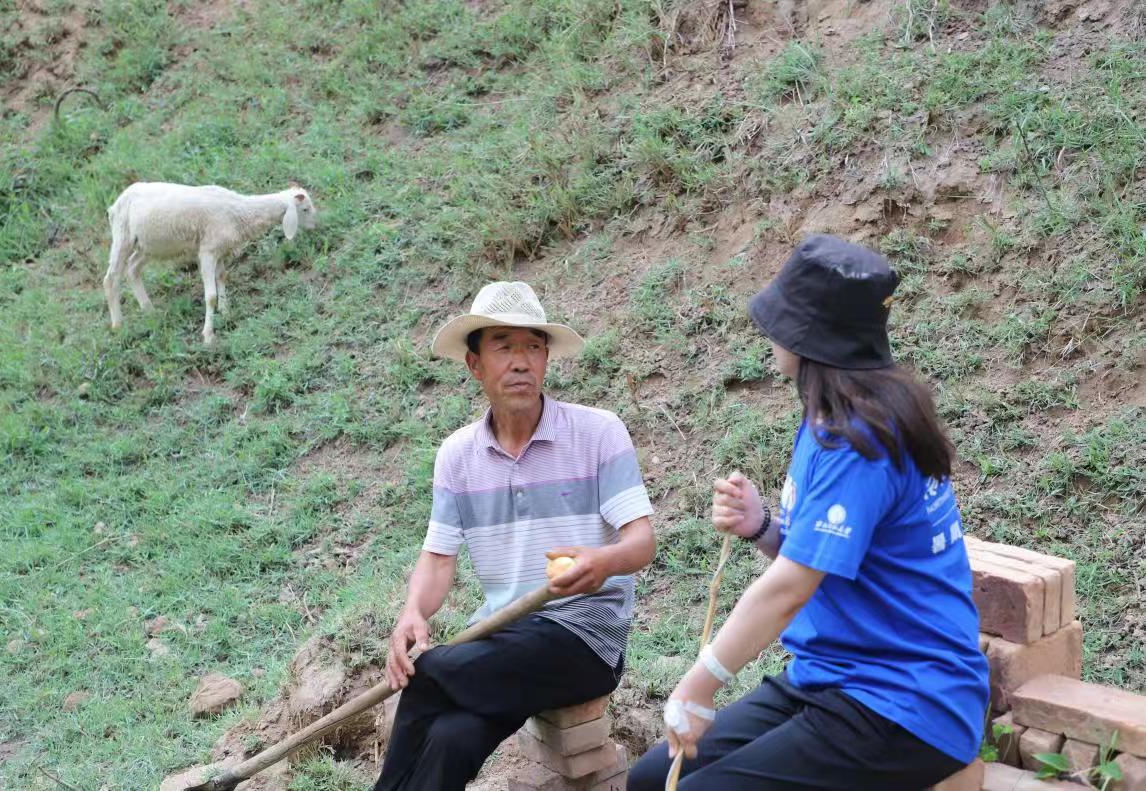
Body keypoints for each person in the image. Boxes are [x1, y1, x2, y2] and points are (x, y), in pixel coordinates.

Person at [629, 235, 989, 790]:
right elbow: (824, 555)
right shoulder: (837, 414)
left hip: (906, 701)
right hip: (831, 675)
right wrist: (763, 527)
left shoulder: (859, 441)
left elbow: (789, 590)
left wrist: (700, 684)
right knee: (653, 779)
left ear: (807, 337)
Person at [375, 281, 657, 791]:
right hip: (502, 636)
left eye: (532, 347)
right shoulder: (457, 456)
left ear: (546, 359)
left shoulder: (598, 432)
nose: (521, 362)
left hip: (584, 638)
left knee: (430, 673)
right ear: (475, 365)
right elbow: (438, 558)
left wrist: (602, 562)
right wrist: (412, 612)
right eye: (504, 347)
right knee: (452, 738)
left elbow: (641, 542)